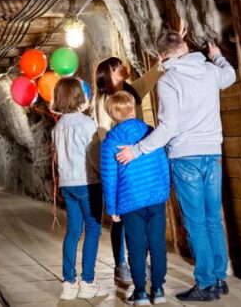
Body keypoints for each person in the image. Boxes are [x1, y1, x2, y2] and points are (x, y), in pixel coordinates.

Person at [116, 31, 236, 302]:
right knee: (213, 219)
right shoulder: (209, 70)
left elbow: (168, 127)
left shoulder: (168, 80)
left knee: (196, 222)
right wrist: (218, 57)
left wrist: (136, 150)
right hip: (212, 153)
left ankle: (205, 283)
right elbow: (230, 76)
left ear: (161, 56)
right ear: (184, 47)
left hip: (185, 157)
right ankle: (219, 279)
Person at [94, 56, 163, 283]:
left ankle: (140, 260)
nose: (123, 68)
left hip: (139, 158)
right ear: (109, 74)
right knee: (121, 217)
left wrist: (162, 61)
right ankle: (120, 263)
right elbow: (104, 132)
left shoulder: (132, 90)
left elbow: (152, 77)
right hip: (120, 159)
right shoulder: (103, 99)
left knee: (139, 214)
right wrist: (114, 158)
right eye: (118, 67)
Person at [100, 91, 170, 306]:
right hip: (156, 198)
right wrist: (164, 191)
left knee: (136, 246)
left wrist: (112, 208)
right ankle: (158, 289)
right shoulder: (150, 133)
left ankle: (140, 292)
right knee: (157, 243)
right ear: (133, 109)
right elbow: (163, 164)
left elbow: (109, 178)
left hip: (130, 201)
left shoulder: (110, 141)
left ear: (112, 115)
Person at [50, 77, 107, 300]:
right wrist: (104, 175)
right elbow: (94, 156)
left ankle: (69, 283)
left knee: (73, 230)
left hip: (67, 184)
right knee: (93, 229)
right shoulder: (87, 124)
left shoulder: (57, 127)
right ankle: (88, 281)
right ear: (79, 97)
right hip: (87, 182)